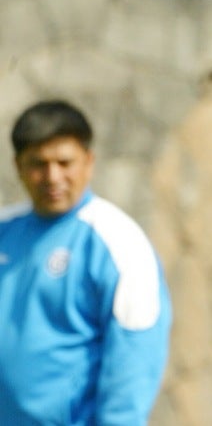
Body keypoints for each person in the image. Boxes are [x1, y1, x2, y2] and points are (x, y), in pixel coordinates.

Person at [0, 99, 172, 425]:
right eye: (38, 163)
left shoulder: (120, 242)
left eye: (65, 162)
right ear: (18, 166)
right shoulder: (4, 231)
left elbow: (135, 363)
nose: (52, 176)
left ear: (88, 162)